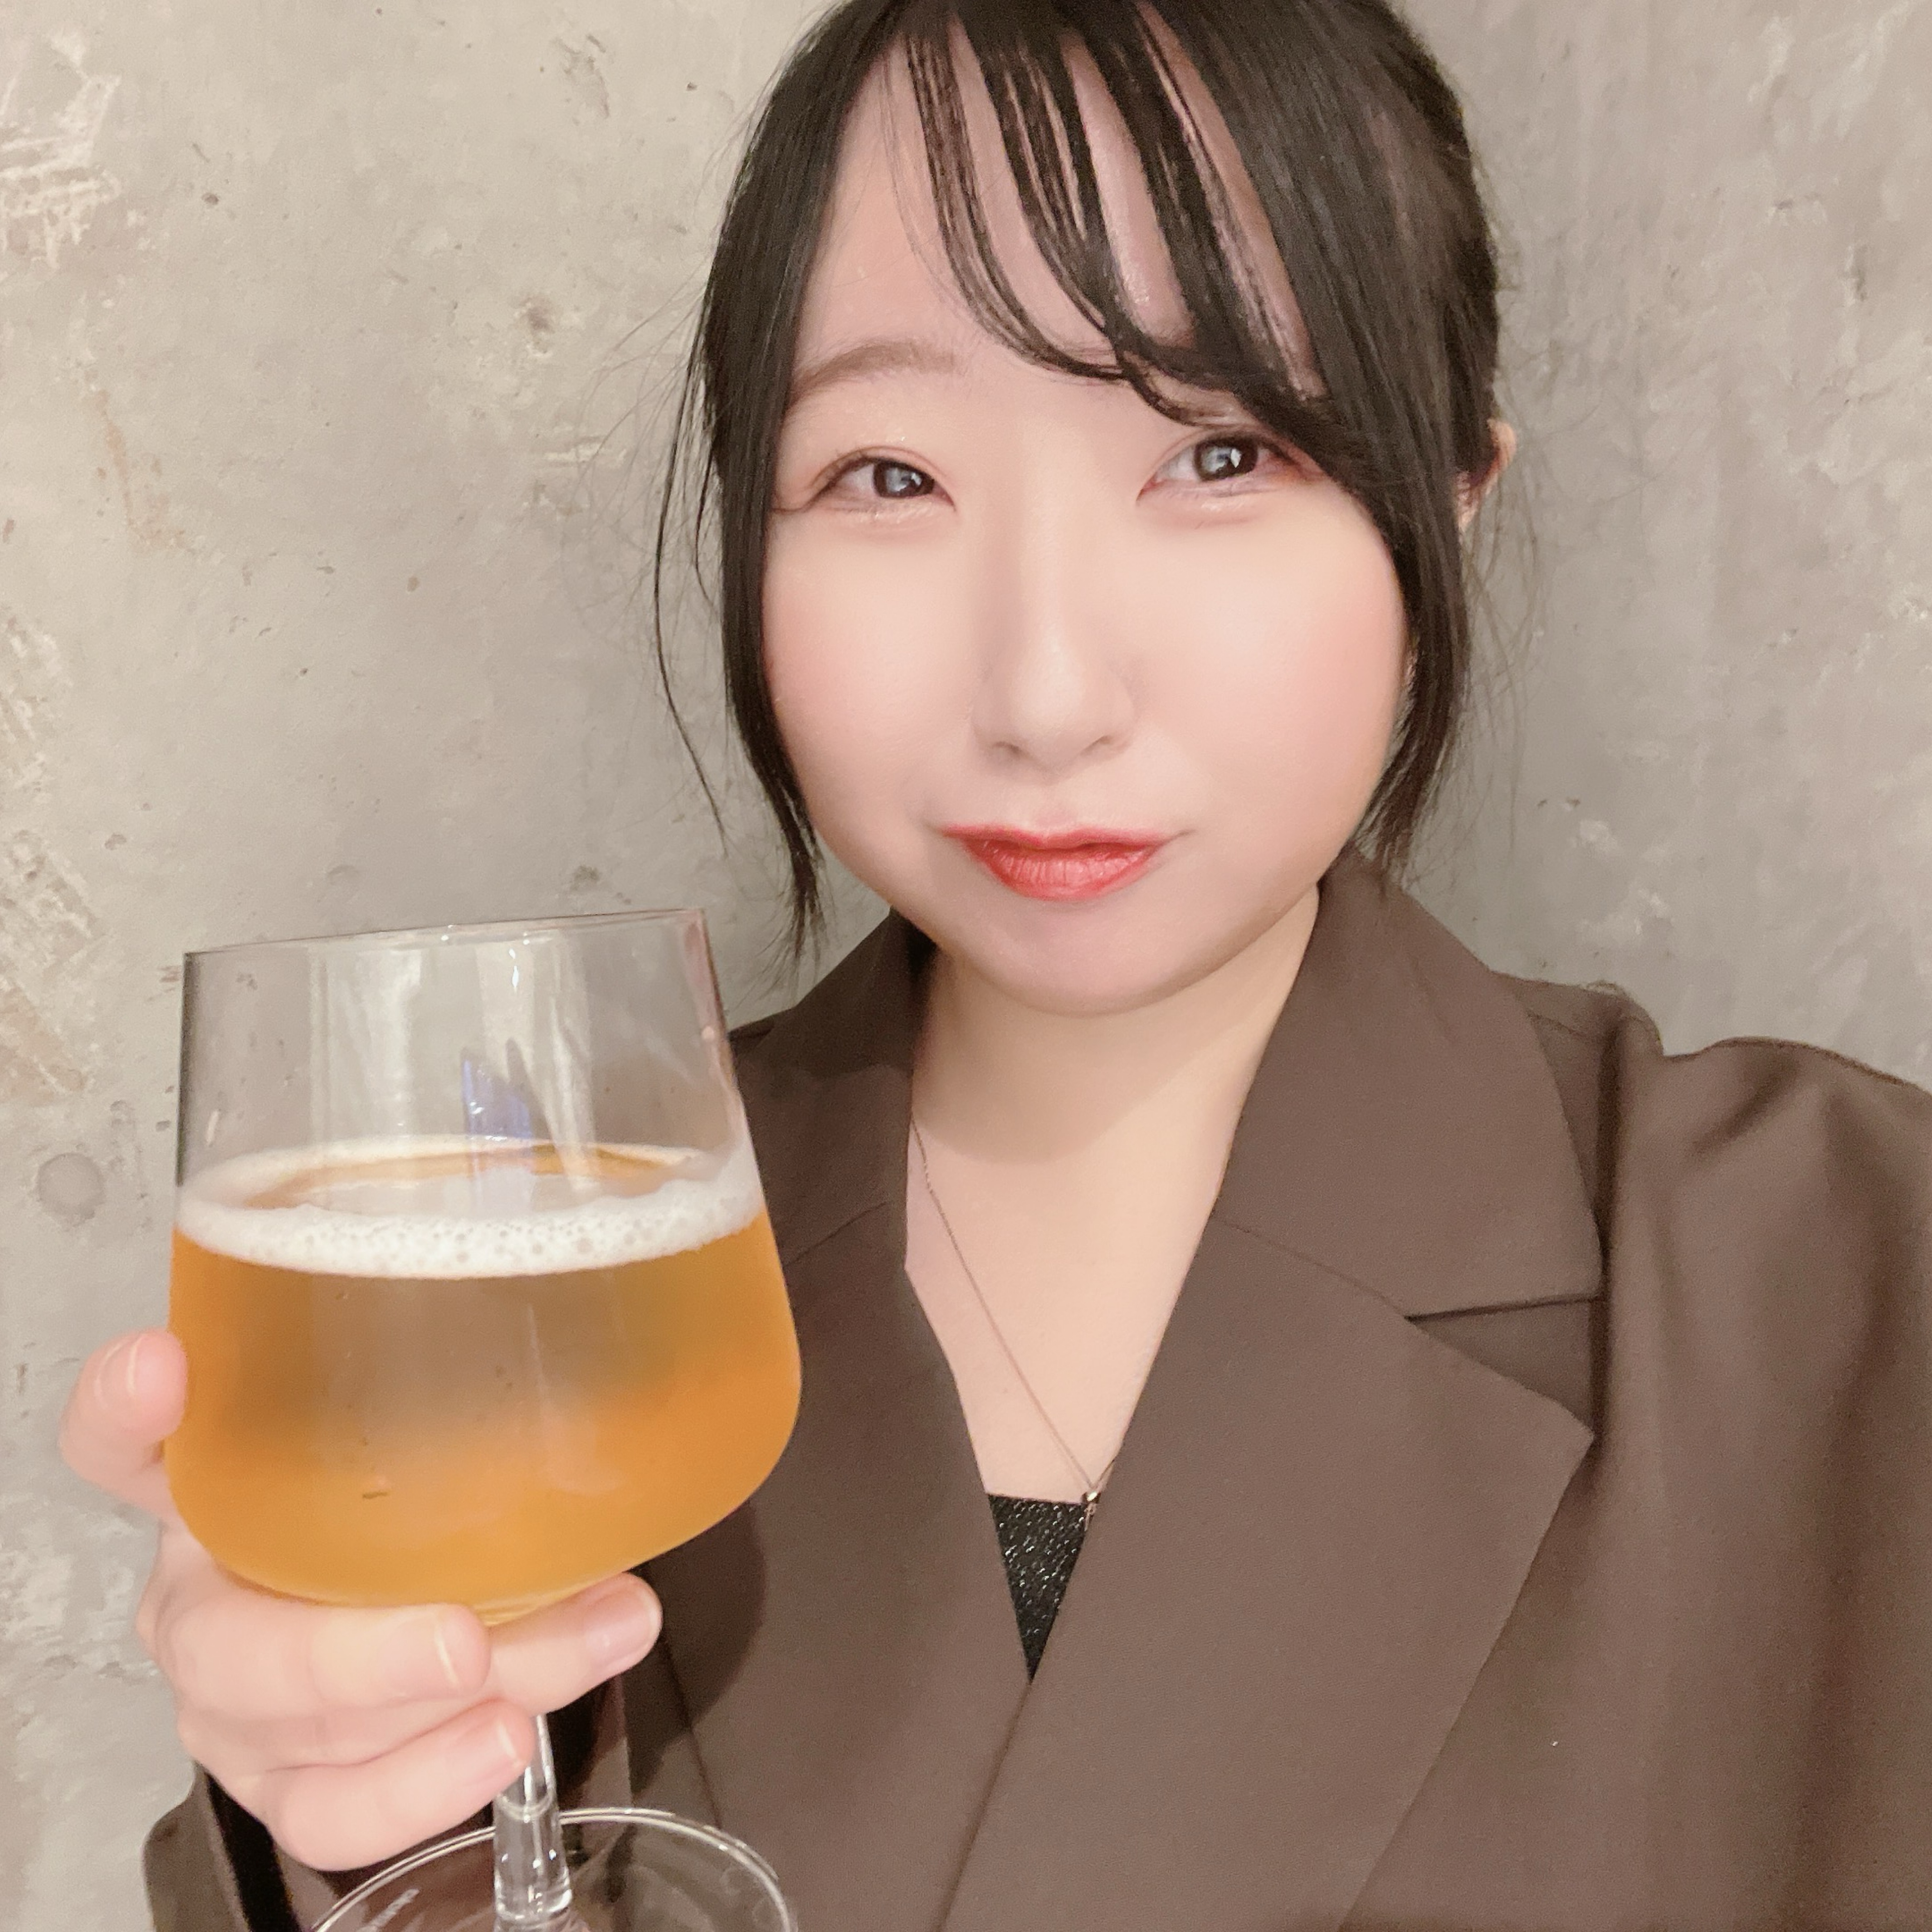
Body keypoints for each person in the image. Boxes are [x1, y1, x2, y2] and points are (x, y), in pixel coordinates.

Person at [62, 1, 1932, 1927]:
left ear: (1449, 507)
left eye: (1220, 452)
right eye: (888, 476)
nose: (1045, 693)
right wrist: (350, 1824)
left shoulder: (1854, 1274)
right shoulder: (557, 1283)